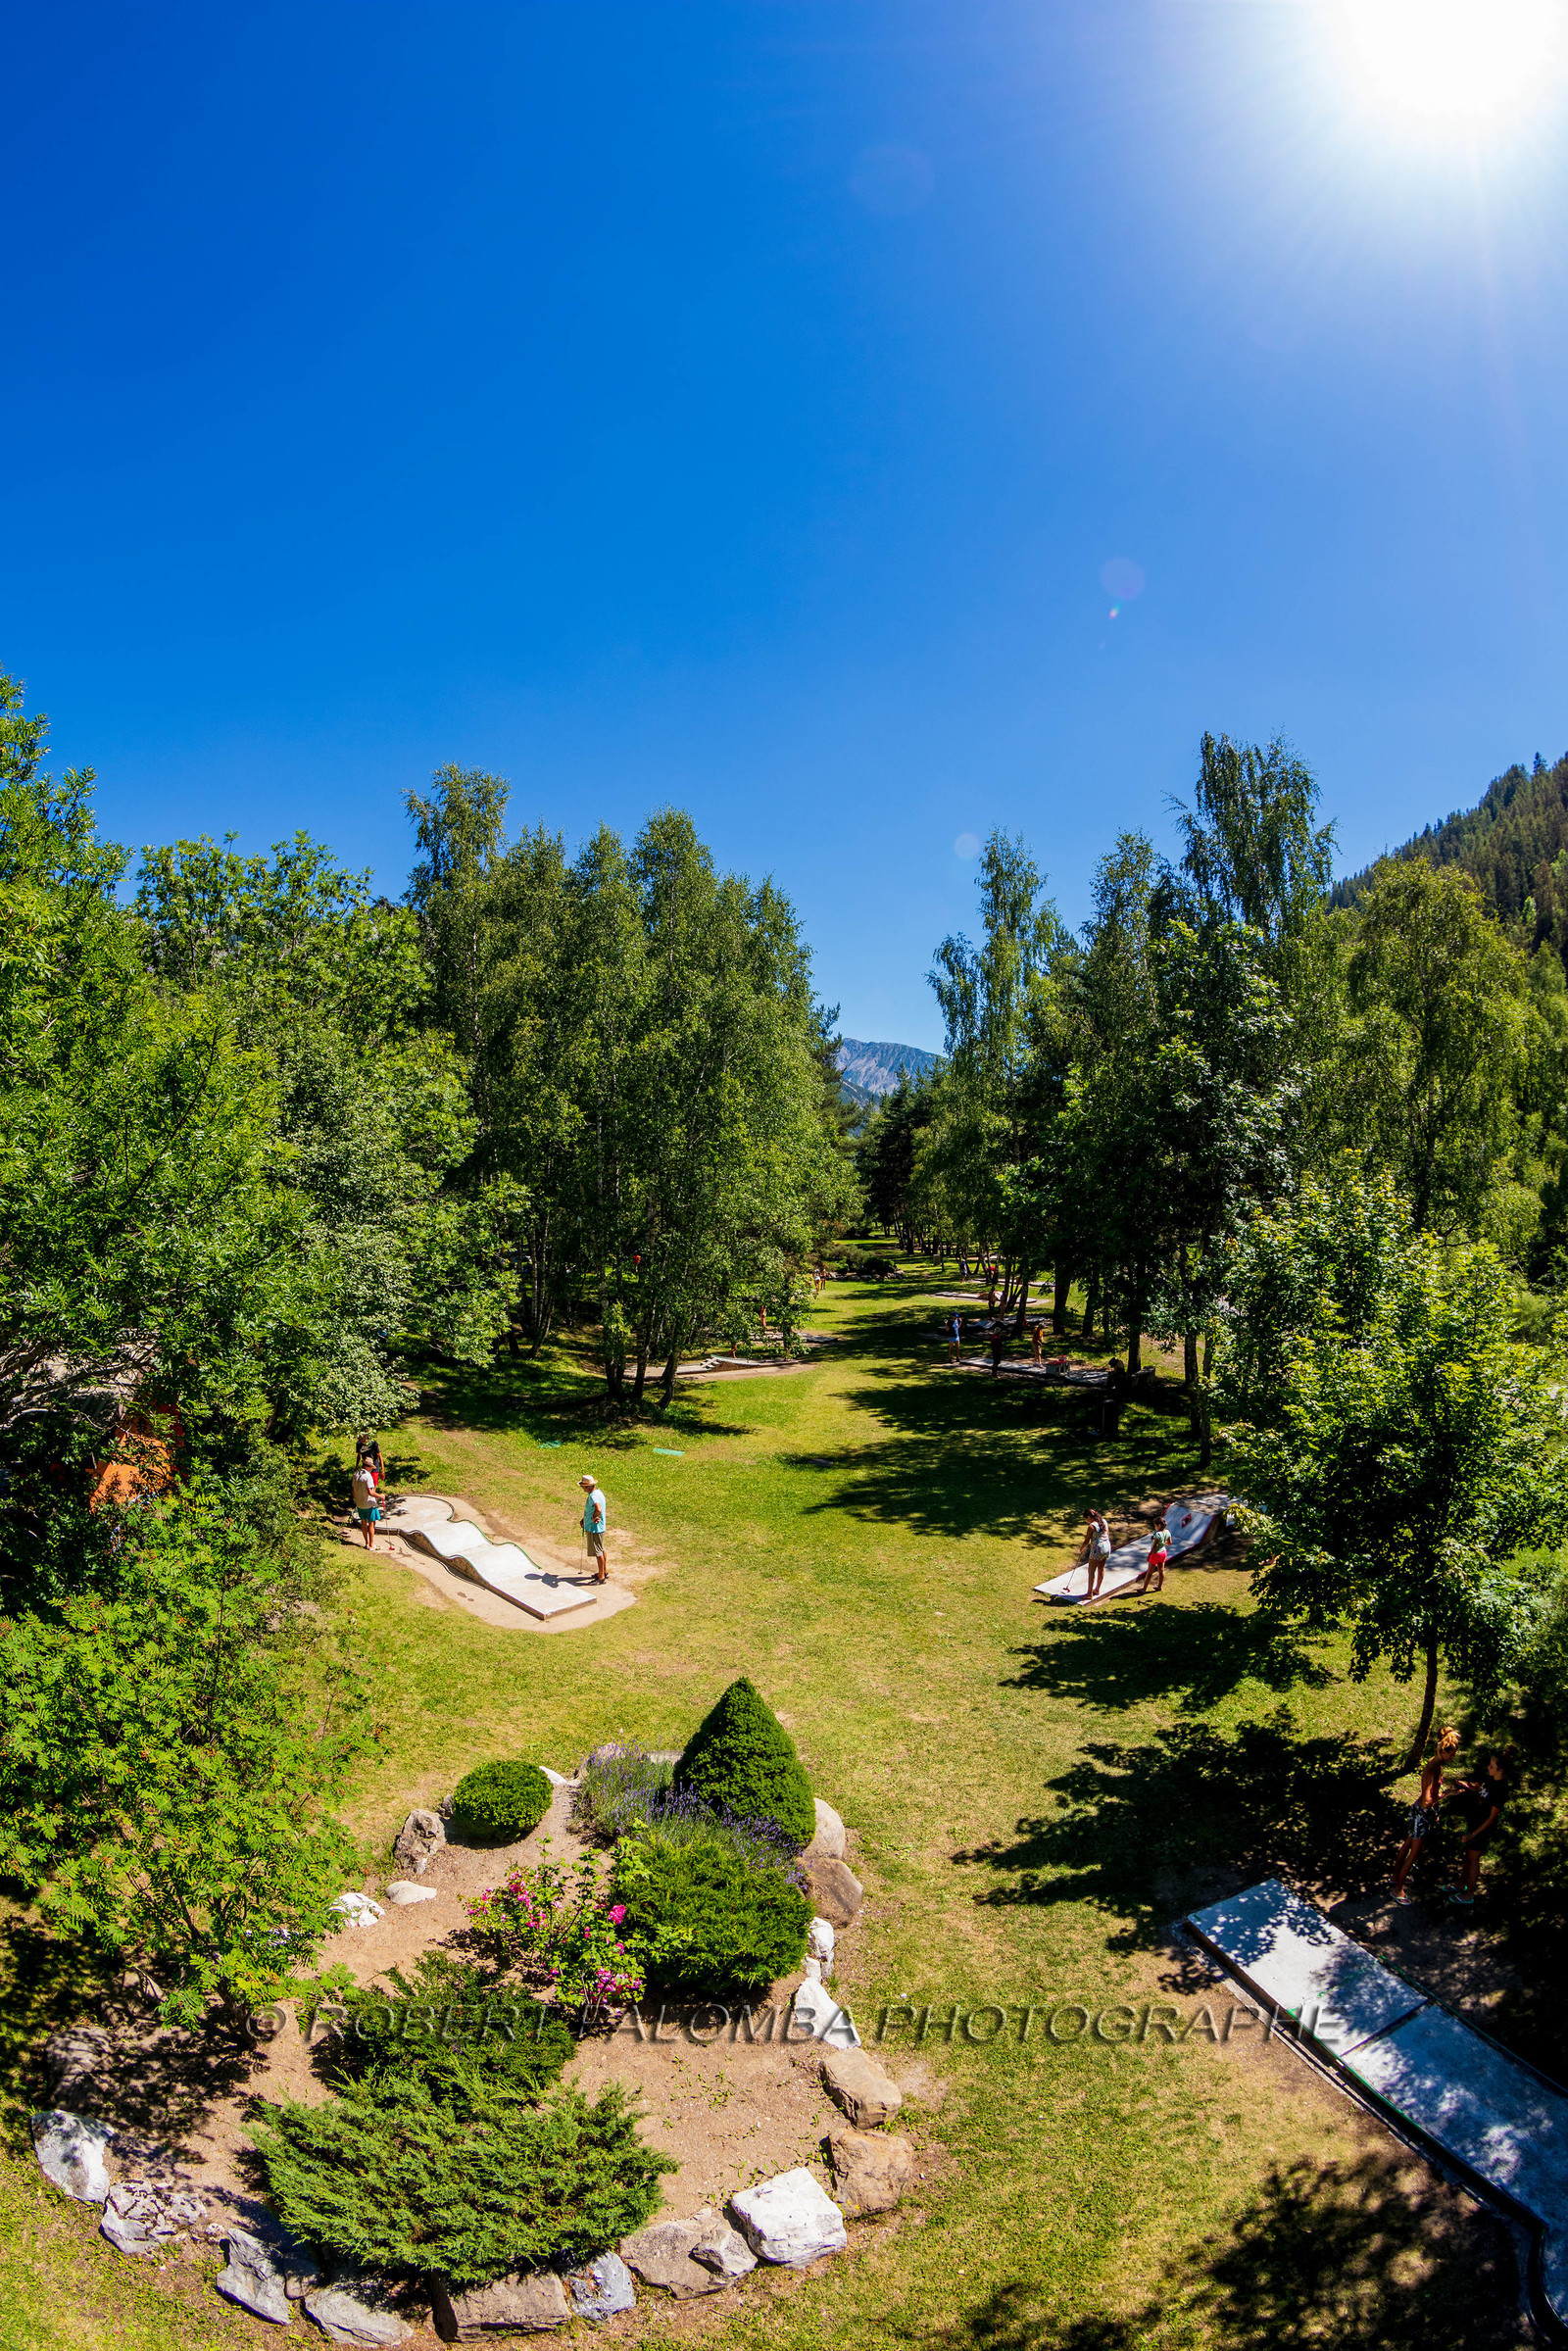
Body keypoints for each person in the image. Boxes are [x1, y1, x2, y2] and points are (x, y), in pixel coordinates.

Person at [1391, 1726, 1460, 1904]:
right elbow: (1428, 1799)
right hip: (1421, 1813)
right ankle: (1398, 1889)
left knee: (1407, 1845)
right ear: (1445, 1750)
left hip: (1417, 1811)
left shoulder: (1433, 1761)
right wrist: (1446, 1794)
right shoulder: (1435, 1767)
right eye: (1452, 1754)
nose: (1453, 1757)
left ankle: (1396, 1876)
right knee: (1414, 1852)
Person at [1450, 1751, 1508, 1906]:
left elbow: (1491, 1818)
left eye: (1492, 1766)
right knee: (1468, 1856)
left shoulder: (1501, 1790)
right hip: (1474, 1821)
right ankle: (1462, 1882)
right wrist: (1469, 1786)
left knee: (1474, 1859)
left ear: (1500, 1770)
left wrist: (1473, 1835)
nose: (1488, 1767)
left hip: (1482, 1829)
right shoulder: (1491, 1778)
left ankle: (1469, 1893)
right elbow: (1482, 1790)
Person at [578, 1472, 609, 1584]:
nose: (583, 1489)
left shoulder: (593, 1496)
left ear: (586, 1487)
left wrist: (594, 1517)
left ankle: (601, 1577)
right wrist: (585, 1519)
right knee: (602, 1549)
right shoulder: (598, 1493)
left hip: (594, 1528)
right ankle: (604, 1571)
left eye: (583, 1487)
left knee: (598, 1552)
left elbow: (598, 1509)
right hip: (600, 1527)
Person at [1133, 1520, 1170, 1596]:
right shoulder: (1167, 1532)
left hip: (1156, 1554)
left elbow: (1154, 1546)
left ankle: (1144, 1589)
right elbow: (1169, 1542)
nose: (1155, 1527)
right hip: (1163, 1553)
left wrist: (1149, 1555)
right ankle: (1159, 1587)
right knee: (1161, 1570)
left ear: (1159, 1525)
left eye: (1155, 1526)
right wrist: (1163, 1544)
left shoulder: (1158, 1534)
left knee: (1150, 1572)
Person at [350, 1456, 379, 1550]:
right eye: (371, 1468)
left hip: (360, 1504)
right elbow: (370, 1492)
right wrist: (380, 1496)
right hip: (369, 1504)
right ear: (369, 1466)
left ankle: (366, 1543)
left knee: (363, 1522)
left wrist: (357, 1499)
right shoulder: (367, 1476)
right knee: (371, 1524)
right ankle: (371, 1544)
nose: (371, 1469)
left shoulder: (356, 1474)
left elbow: (353, 1490)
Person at [1084, 1508, 1112, 1601]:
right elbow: (1108, 1534)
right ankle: (1097, 1590)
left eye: (1085, 1519)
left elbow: (1087, 1540)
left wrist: (1081, 1549)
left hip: (1097, 1549)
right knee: (1101, 1569)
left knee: (1091, 1571)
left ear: (1089, 1517)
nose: (1086, 1520)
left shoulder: (1091, 1526)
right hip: (1106, 1547)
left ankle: (1089, 1594)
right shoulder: (1104, 1521)